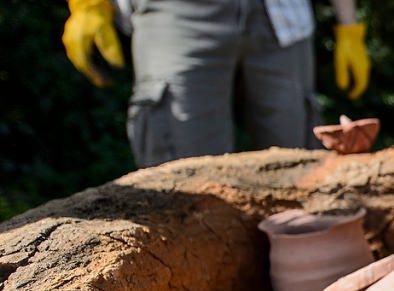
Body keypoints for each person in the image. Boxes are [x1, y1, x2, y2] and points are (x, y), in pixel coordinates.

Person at [62, 0, 371, 168]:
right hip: (175, 12)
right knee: (185, 177)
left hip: (278, 11)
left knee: (299, 165)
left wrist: (348, 23)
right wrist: (89, 5)